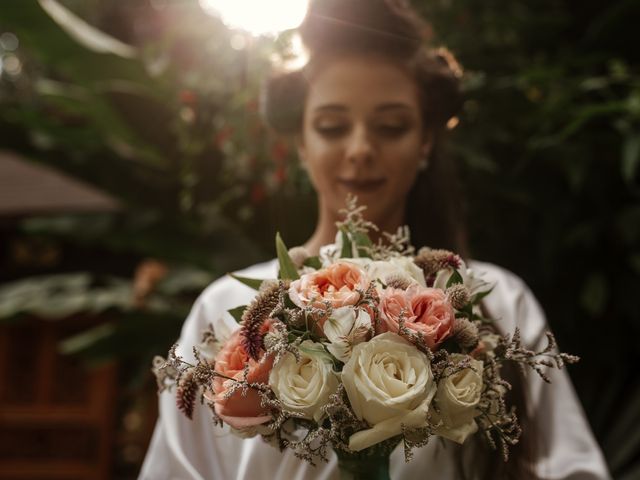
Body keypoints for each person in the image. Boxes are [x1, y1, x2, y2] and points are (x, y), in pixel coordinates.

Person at [140, 1, 611, 478]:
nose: (361, 148)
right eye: (332, 126)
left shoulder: (500, 303)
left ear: (425, 141)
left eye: (390, 127)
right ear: (302, 142)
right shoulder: (225, 309)